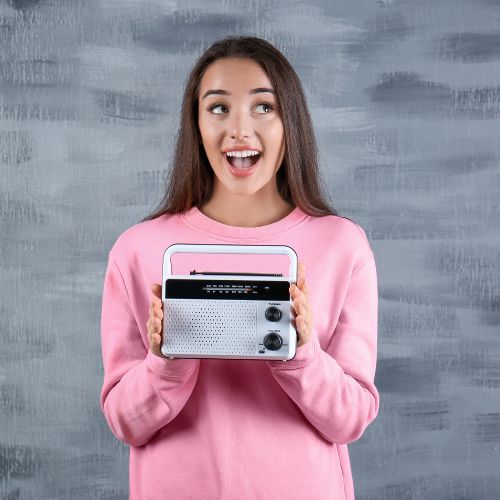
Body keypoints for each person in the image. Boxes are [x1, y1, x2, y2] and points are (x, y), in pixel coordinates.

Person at [100, 35, 379, 500]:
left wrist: (302, 353)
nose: (239, 131)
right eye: (218, 108)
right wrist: (164, 363)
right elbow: (126, 423)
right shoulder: (139, 250)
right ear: (196, 124)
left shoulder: (341, 246)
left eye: (263, 107)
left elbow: (349, 419)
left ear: (290, 120)